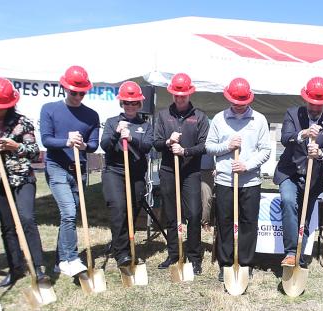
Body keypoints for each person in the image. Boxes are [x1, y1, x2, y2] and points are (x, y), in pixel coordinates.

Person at [0, 77, 49, 287]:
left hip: (22, 178)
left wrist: (16, 147)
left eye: (3, 107)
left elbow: (35, 154)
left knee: (26, 219)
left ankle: (38, 268)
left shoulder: (22, 122)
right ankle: (15, 268)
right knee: (7, 226)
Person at [206, 77, 272, 281]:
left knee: (248, 223)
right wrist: (227, 146)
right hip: (225, 180)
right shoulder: (219, 119)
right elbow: (209, 147)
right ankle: (225, 263)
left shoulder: (259, 120)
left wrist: (247, 165)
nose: (237, 106)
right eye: (234, 102)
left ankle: (245, 263)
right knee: (225, 222)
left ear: (248, 100)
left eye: (241, 103)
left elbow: (266, 150)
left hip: (250, 182)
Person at [39, 66, 100, 278]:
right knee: (69, 212)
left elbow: (93, 144)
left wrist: (82, 146)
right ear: (64, 87)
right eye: (73, 92)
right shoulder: (49, 109)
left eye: (82, 92)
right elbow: (46, 139)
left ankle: (59, 260)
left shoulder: (91, 115)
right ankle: (71, 259)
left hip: (79, 169)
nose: (77, 96)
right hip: (57, 167)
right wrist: (66, 141)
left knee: (69, 216)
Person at [276, 77, 323, 267]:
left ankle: (299, 258)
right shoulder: (292, 114)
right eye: (312, 103)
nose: (315, 107)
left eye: (319, 104)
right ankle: (289, 253)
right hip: (289, 171)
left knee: (305, 217)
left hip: (314, 176)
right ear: (306, 99)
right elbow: (285, 138)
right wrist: (303, 133)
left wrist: (320, 152)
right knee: (288, 202)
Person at [154, 73, 210, 275]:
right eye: (176, 95)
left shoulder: (200, 117)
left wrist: (185, 151)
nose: (180, 99)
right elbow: (156, 142)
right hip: (169, 170)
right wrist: (168, 143)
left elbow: (205, 146)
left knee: (194, 214)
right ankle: (173, 253)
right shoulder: (162, 116)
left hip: (191, 172)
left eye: (183, 96)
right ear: (172, 94)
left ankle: (194, 257)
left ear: (189, 94)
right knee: (171, 214)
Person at [100, 81, 154, 269]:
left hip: (137, 173)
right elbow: (105, 145)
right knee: (118, 208)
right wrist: (116, 134)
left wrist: (132, 138)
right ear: (121, 103)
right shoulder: (112, 122)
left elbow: (148, 145)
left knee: (133, 209)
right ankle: (122, 252)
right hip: (114, 172)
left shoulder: (144, 125)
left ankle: (118, 242)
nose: (130, 106)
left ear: (139, 104)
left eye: (134, 103)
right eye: (126, 103)